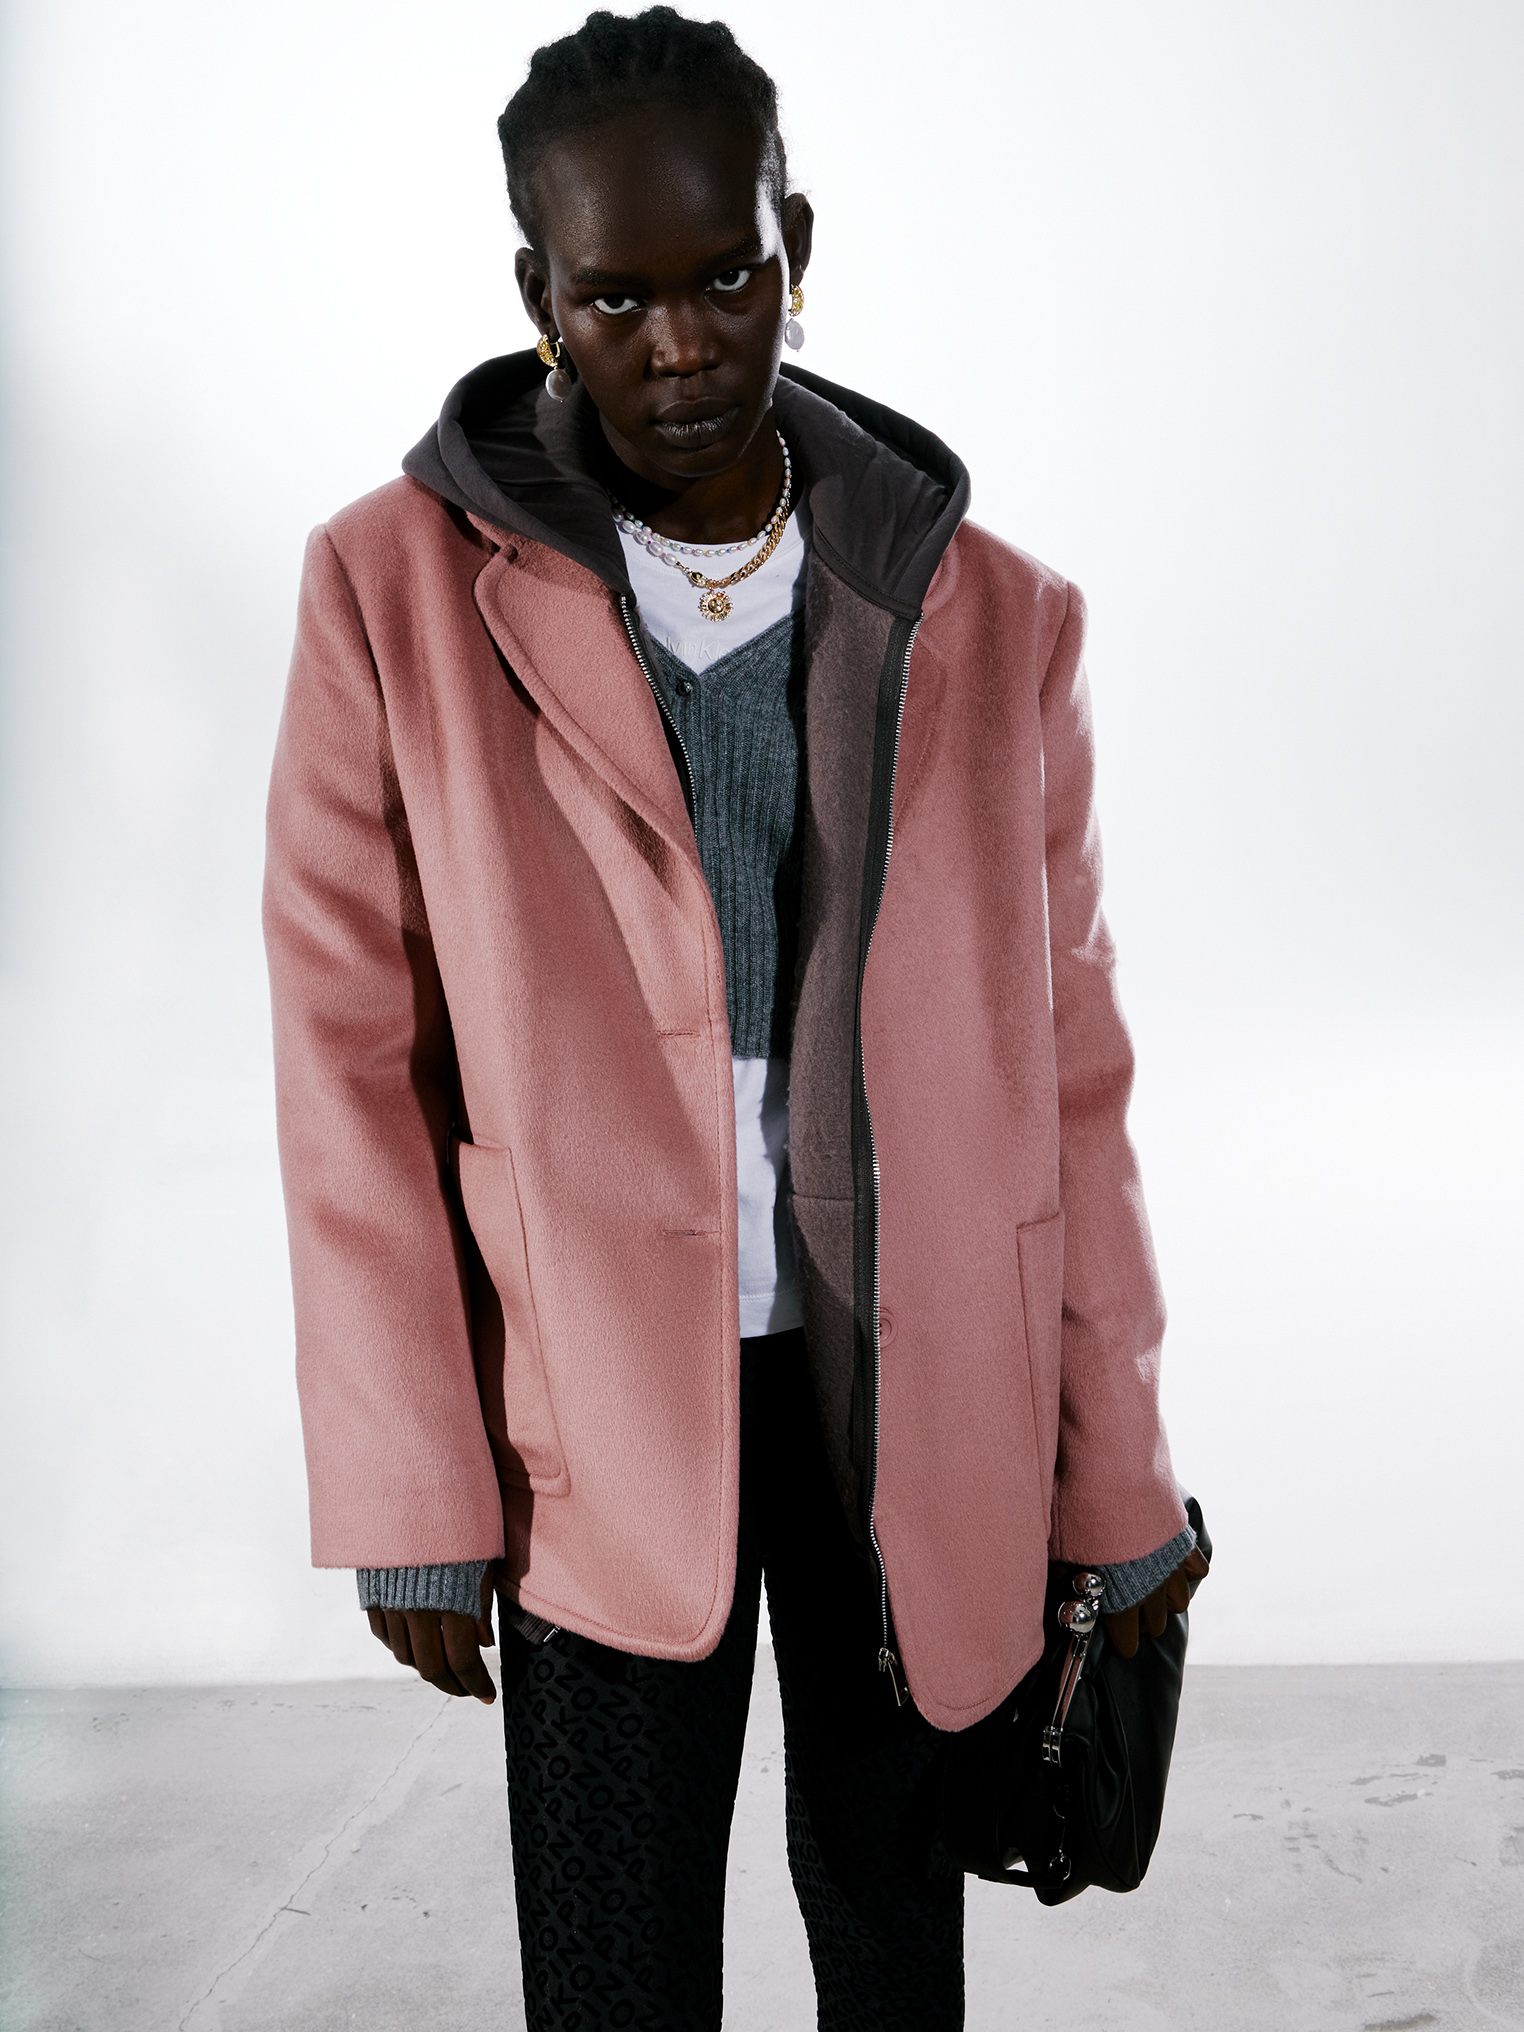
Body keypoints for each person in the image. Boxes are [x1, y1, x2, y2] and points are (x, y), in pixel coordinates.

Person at [262, 9, 1207, 2027]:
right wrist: (413, 1491)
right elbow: (348, 1068)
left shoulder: (994, 610)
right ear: (539, 292)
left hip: (917, 1391)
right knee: (613, 1971)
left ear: (800, 247)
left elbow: (1074, 1072)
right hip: (587, 1405)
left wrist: (1118, 1481)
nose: (682, 343)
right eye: (619, 295)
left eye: (728, 276)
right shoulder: (387, 591)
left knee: (895, 1946)